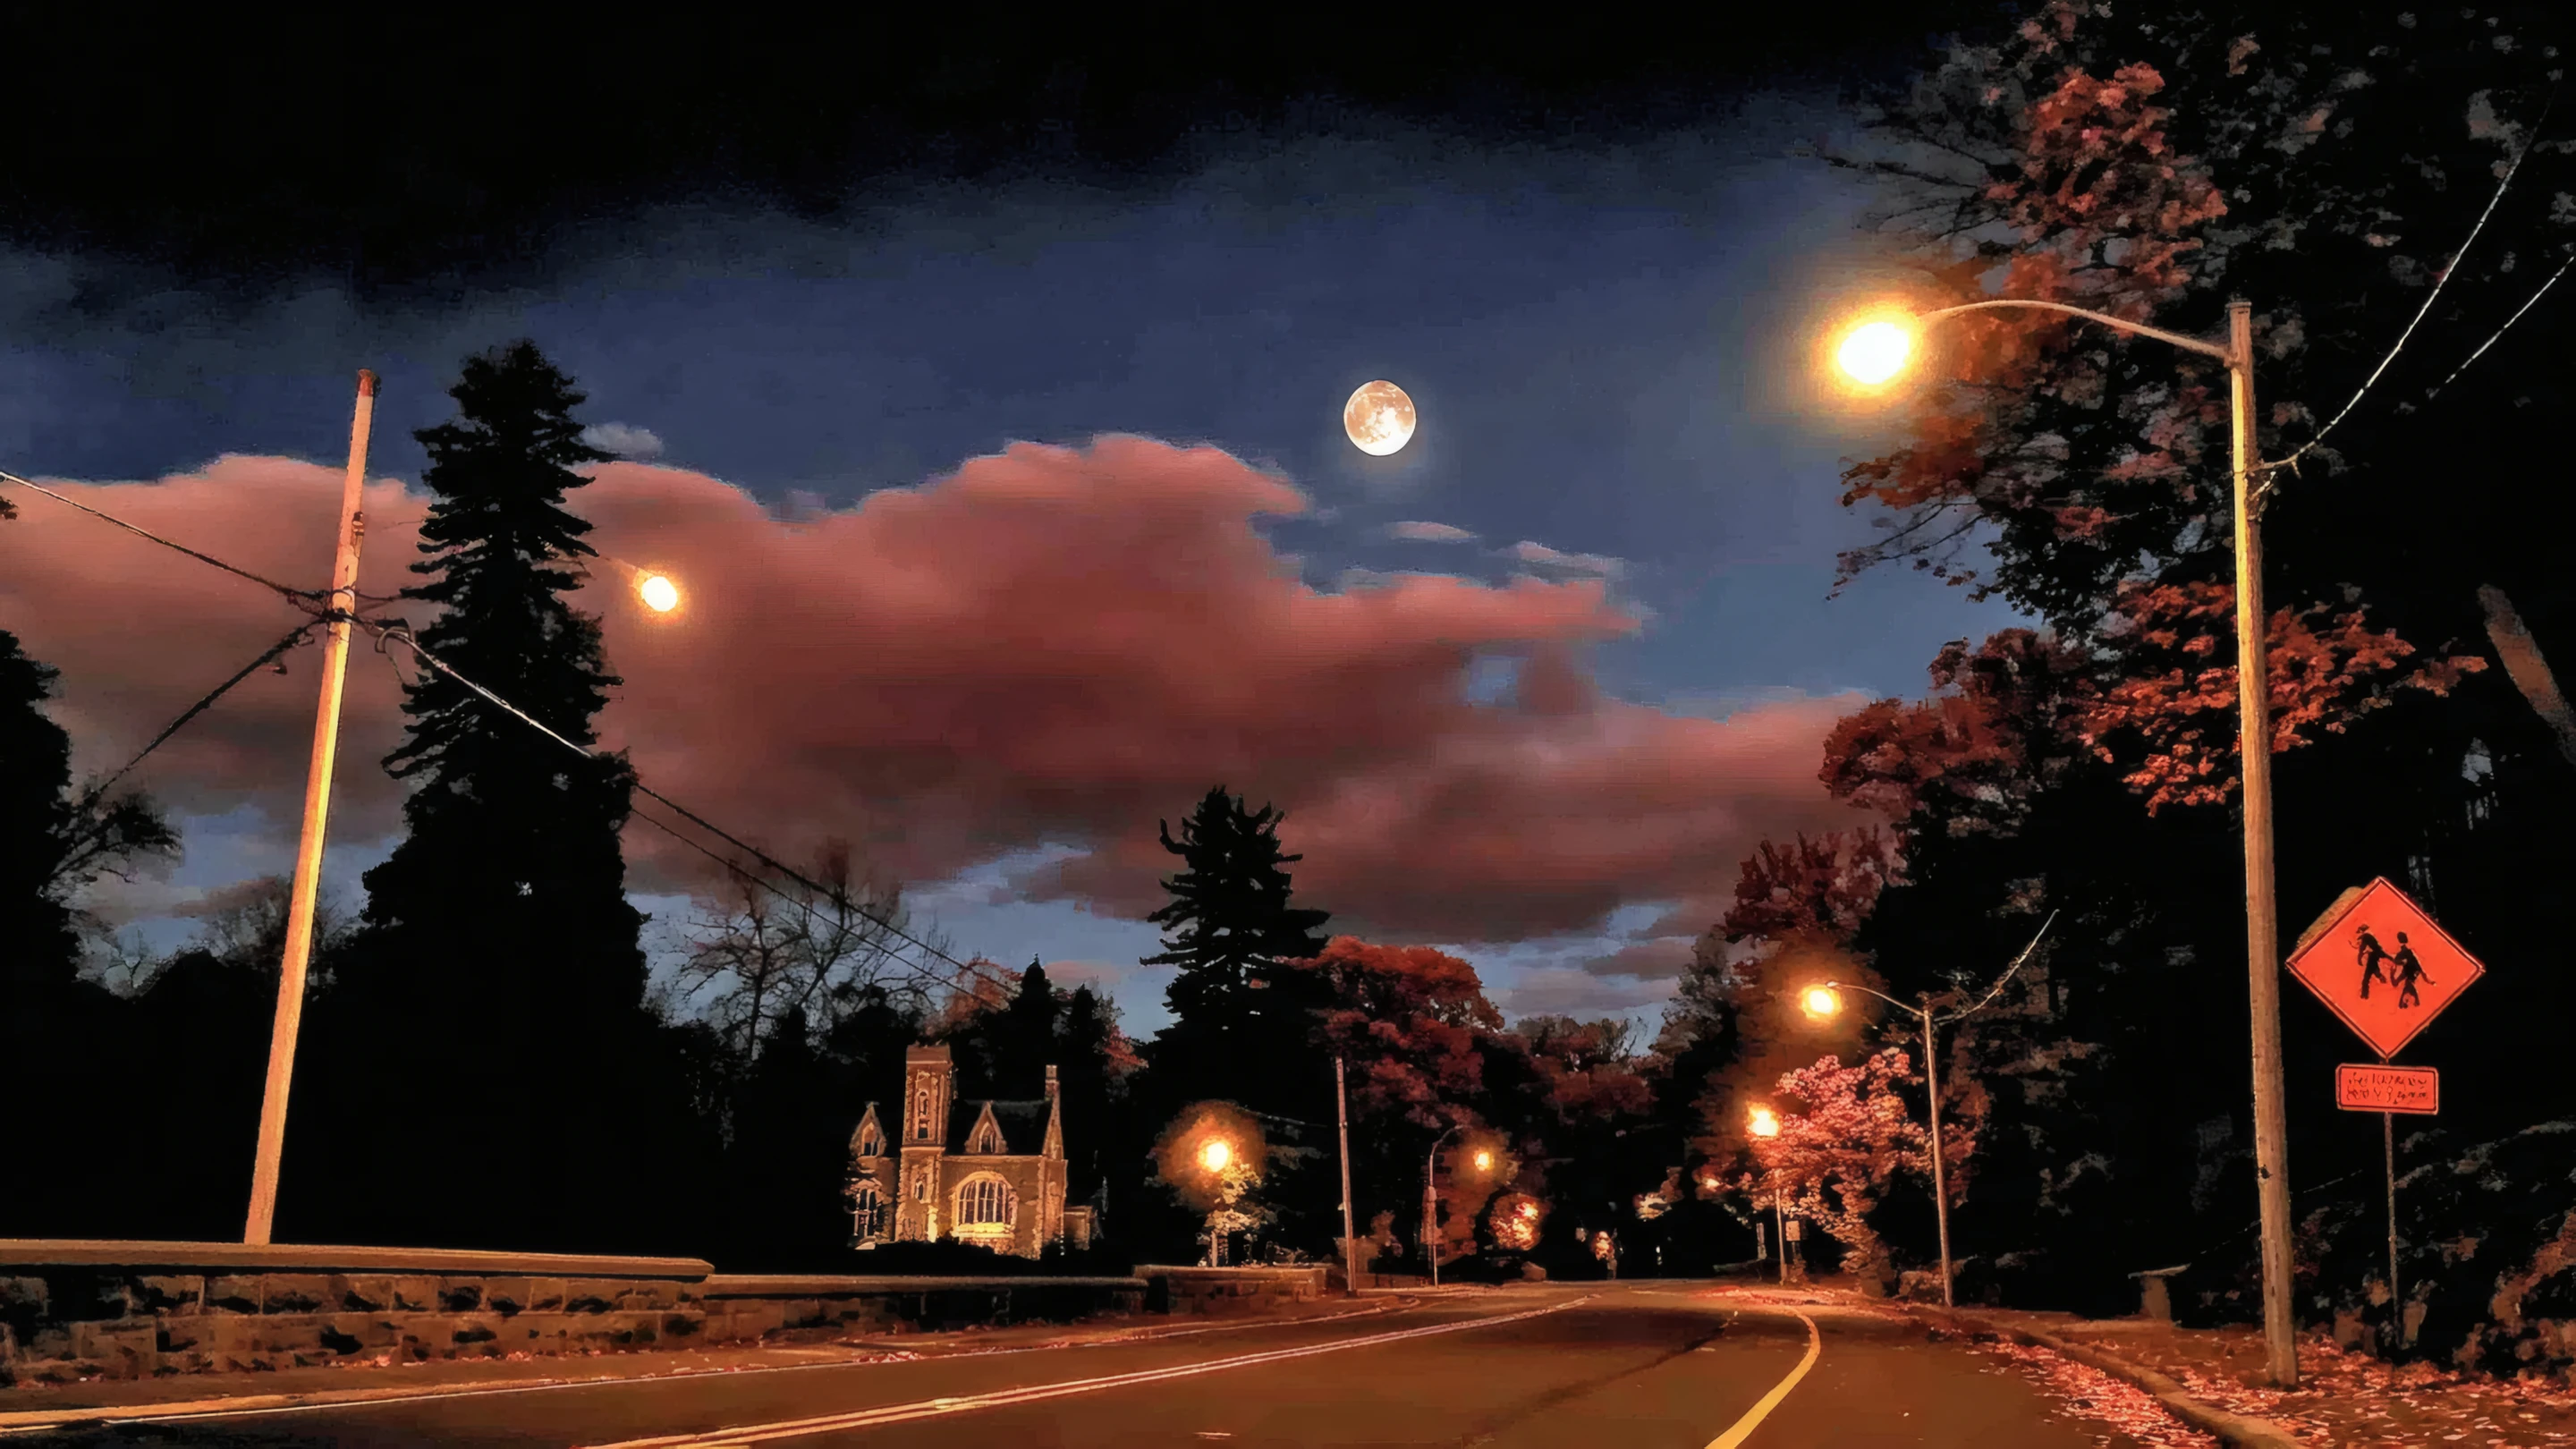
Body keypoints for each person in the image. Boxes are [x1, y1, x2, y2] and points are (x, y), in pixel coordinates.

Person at [2391, 933, 2434, 1010]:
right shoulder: (2408, 955)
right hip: (2409, 970)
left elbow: (2423, 974)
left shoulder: (2407, 954)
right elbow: (2423, 974)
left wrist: (2393, 971)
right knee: (2404, 983)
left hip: (2408, 971)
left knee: (2400, 983)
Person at [2354, 924, 2393, 1001]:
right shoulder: (2369, 936)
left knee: (2366, 978)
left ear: (2362, 931)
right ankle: (2381, 977)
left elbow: (2362, 948)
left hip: (2373, 956)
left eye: (2360, 931)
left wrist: (2359, 957)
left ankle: (2364, 995)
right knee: (2374, 969)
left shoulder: (2365, 937)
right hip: (2376, 955)